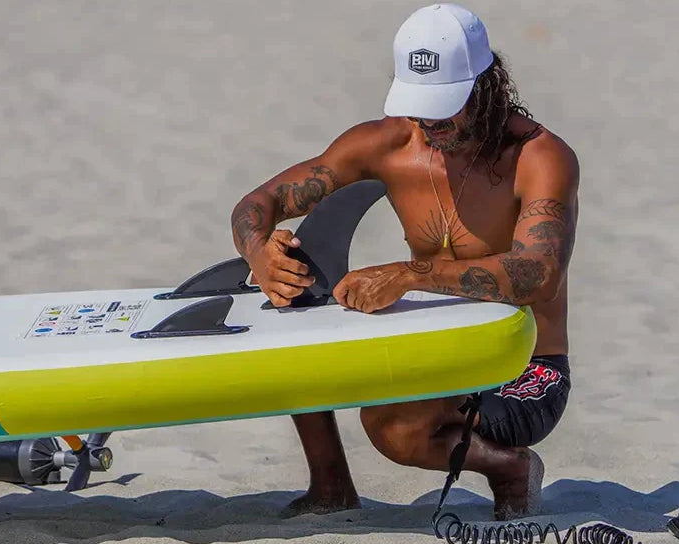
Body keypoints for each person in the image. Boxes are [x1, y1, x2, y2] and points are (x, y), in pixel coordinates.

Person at [229, 3, 578, 521]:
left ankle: (510, 468)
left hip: (523, 366)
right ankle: (331, 488)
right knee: (293, 335)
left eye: (444, 107)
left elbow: (538, 273)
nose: (428, 122)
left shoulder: (538, 156)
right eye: (420, 106)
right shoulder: (388, 144)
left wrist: (411, 275)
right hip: (435, 348)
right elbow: (258, 205)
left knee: (391, 424)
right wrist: (259, 251)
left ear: (487, 84)